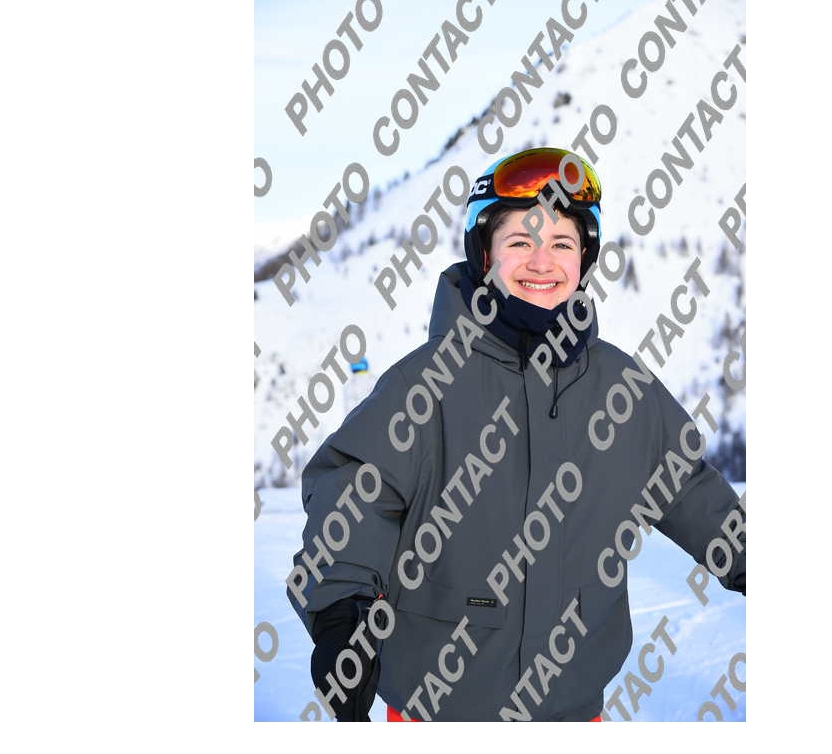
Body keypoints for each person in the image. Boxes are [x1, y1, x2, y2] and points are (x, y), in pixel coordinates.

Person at [287, 147, 745, 722]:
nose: (542, 261)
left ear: (585, 258)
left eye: (562, 244)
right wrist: (342, 612)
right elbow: (358, 492)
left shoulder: (623, 389)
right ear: (485, 254)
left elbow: (687, 486)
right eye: (521, 242)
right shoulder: (427, 382)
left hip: (573, 712)